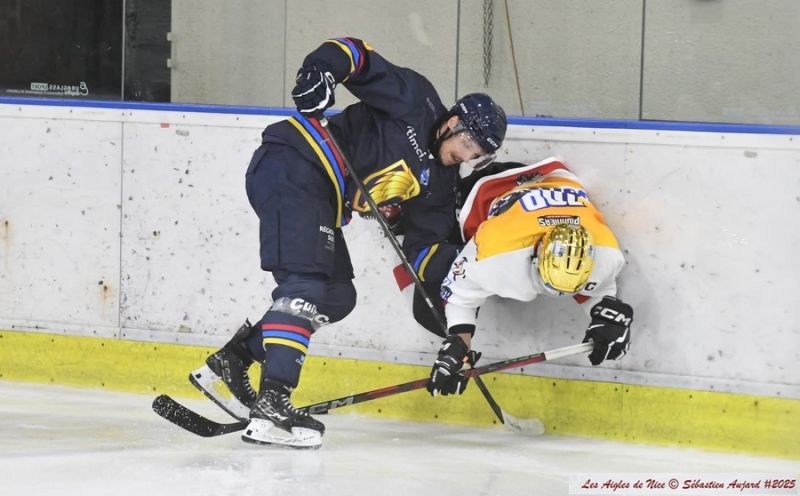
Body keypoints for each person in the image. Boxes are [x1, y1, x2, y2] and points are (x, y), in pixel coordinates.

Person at [193, 37, 507, 449]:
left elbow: (425, 251)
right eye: (467, 145)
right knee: (305, 282)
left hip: (320, 198)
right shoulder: (417, 100)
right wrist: (320, 70)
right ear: (452, 124)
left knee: (338, 295)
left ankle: (235, 360)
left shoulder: (442, 184)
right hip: (298, 161)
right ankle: (275, 400)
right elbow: (357, 56)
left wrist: (465, 274)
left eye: (477, 155)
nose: (466, 157)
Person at [423, 157, 634, 397]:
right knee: (434, 269)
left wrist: (607, 318)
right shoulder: (494, 254)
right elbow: (458, 297)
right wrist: (457, 347)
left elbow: (598, 290)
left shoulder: (606, 254)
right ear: (535, 257)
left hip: (556, 179)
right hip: (494, 189)